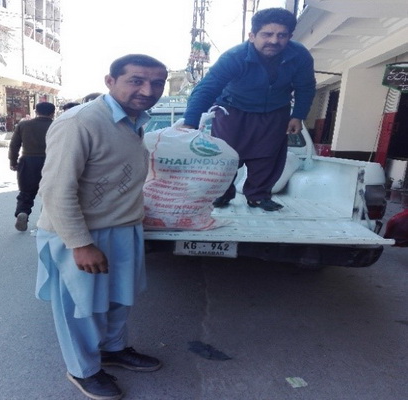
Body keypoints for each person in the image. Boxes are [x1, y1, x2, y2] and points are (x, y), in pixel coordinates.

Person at [35, 54, 168, 400]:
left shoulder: (135, 120)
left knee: (118, 299)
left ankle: (113, 350)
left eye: (156, 83)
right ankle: (83, 370)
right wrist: (80, 244)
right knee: (82, 308)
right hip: (82, 232)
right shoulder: (79, 122)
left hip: (123, 228)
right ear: (110, 82)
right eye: (136, 80)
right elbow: (56, 189)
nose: (147, 90)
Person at [183, 7, 316, 211]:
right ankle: (221, 194)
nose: (274, 41)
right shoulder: (234, 57)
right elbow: (207, 88)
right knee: (225, 156)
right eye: (267, 34)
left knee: (268, 157)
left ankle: (258, 196)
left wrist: (298, 115)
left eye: (281, 35)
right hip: (233, 111)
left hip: (275, 112)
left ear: (290, 37)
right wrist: (189, 123)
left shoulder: (299, 55)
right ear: (252, 35)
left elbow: (305, 87)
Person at [8, 102, 55, 231]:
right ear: (52, 113)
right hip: (51, 162)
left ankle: (23, 212)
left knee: (26, 192)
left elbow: (14, 145)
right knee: (50, 193)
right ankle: (45, 220)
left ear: (36, 112)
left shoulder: (23, 125)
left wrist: (13, 162)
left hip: (28, 161)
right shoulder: (56, 125)